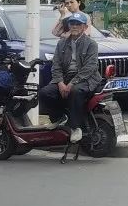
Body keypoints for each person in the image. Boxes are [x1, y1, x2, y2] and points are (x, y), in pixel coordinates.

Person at [39, 12, 101, 143]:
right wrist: (60, 82)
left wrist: (72, 83)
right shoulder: (61, 44)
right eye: (72, 23)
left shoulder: (91, 44)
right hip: (65, 78)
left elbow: (89, 68)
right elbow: (56, 65)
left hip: (86, 79)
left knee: (75, 91)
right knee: (45, 93)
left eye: (78, 24)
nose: (75, 26)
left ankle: (75, 127)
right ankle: (58, 118)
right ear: (68, 26)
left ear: (84, 27)